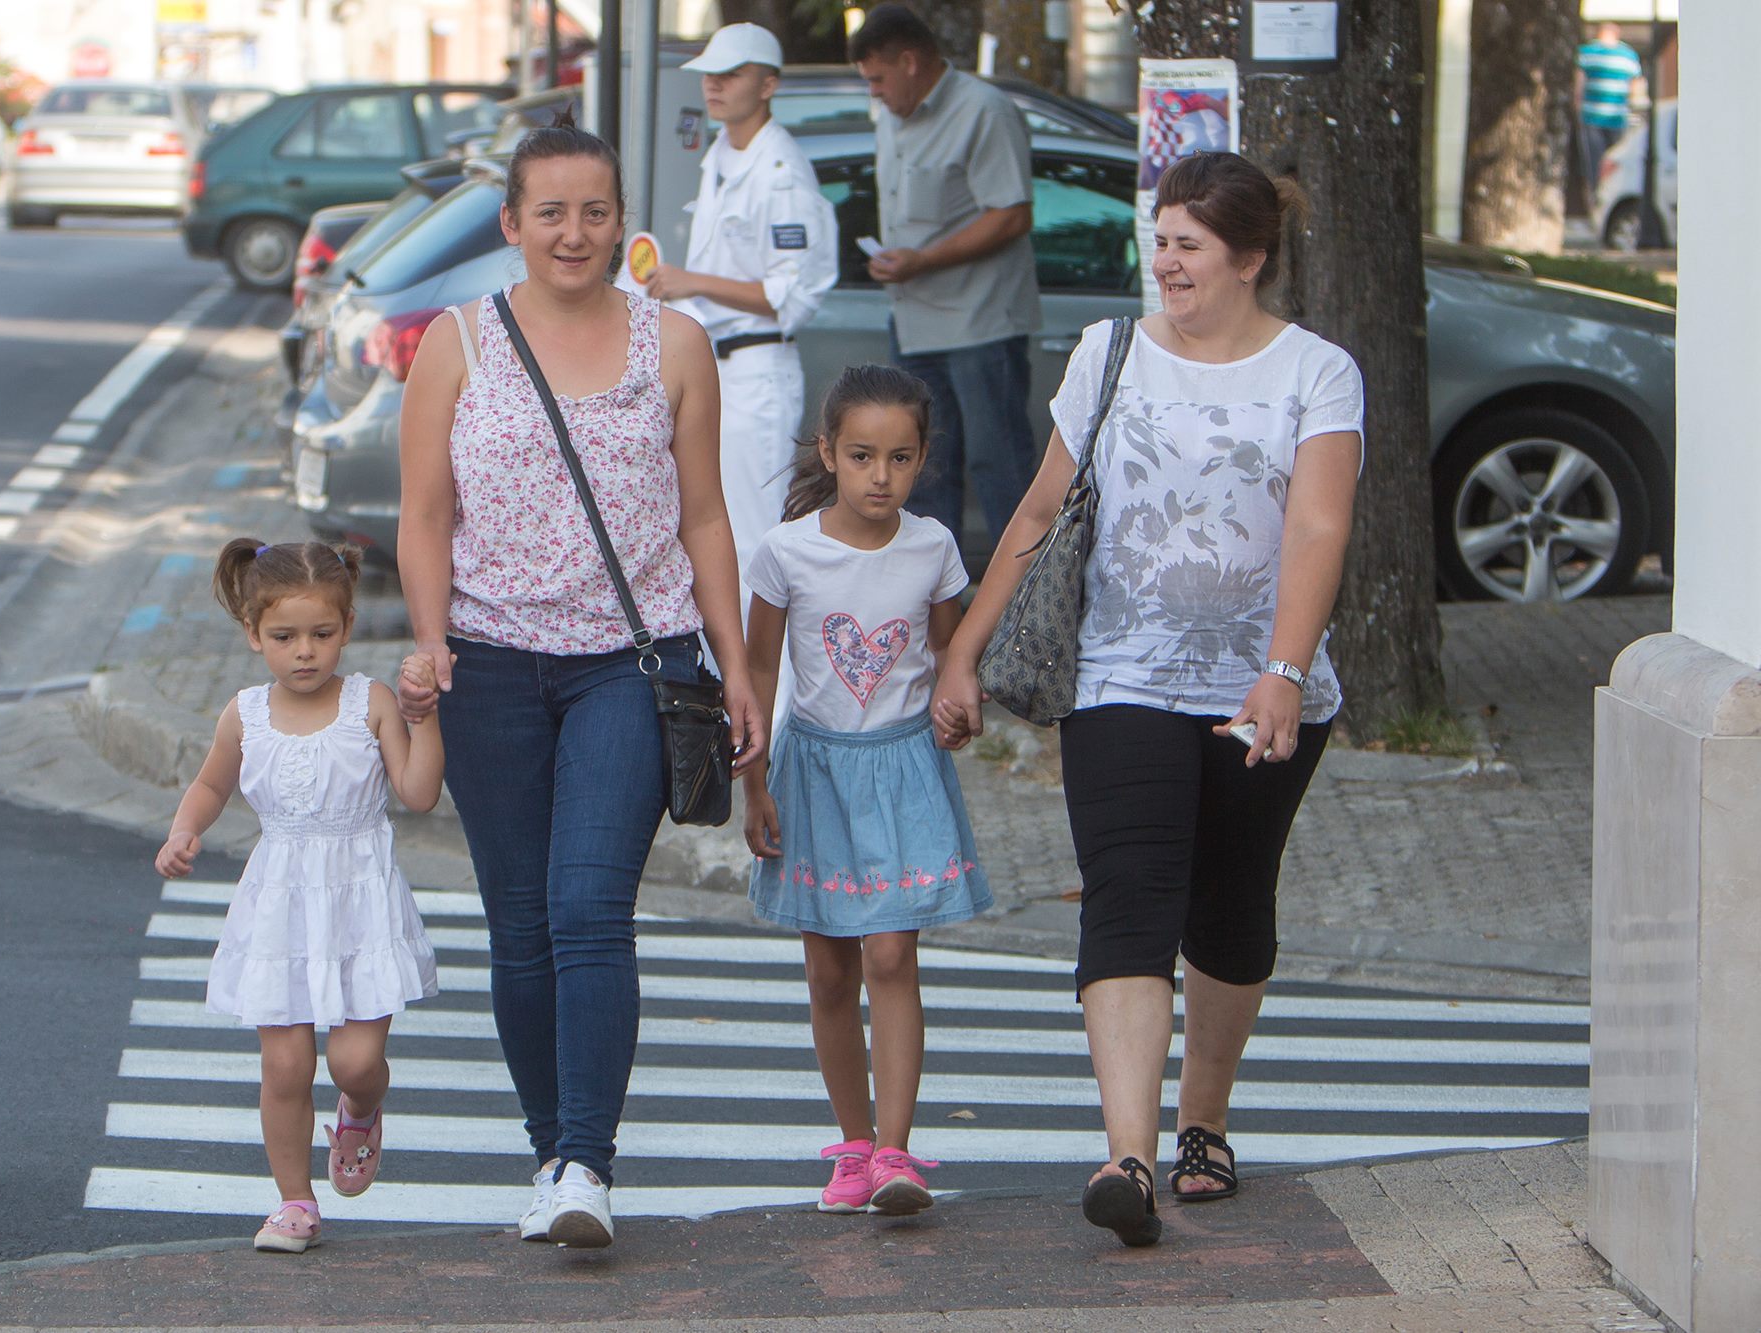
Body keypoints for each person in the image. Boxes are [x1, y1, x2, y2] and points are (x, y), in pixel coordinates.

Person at [931, 152, 1363, 1248]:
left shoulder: (1316, 371)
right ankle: (1125, 1154)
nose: (1163, 261)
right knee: (1126, 894)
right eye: (1158, 238)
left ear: (1248, 259)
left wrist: (1283, 668)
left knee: (1228, 902)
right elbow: (1038, 512)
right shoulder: (1107, 350)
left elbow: (1318, 525)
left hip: (1263, 684)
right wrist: (963, 651)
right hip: (1119, 672)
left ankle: (1200, 1122)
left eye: (1187, 245)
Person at [393, 111, 765, 1250]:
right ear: (511, 224)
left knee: (589, 907)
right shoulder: (456, 341)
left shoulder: (676, 344)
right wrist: (430, 640)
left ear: (620, 224)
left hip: (631, 664)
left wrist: (737, 666)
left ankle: (588, 1166)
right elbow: (422, 515)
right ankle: (548, 1148)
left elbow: (705, 517)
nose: (572, 232)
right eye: (549, 211)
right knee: (518, 923)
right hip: (489, 666)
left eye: (593, 212)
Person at [742, 364, 990, 1216]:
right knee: (827, 972)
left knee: (890, 954)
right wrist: (754, 786)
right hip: (812, 773)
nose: (880, 476)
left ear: (921, 458)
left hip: (903, 771)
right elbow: (759, 672)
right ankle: (853, 1145)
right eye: (861, 456)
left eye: (900, 458)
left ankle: (895, 1150)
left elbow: (950, 659)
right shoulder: (786, 552)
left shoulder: (934, 548)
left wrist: (957, 707)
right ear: (829, 452)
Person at [154, 538, 446, 1255]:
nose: (305, 651)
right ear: (254, 634)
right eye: (284, 636)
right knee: (285, 1065)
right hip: (280, 904)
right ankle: (294, 1202)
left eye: (322, 633)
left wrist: (424, 716)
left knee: (353, 1062)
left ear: (347, 628)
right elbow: (212, 782)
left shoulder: (369, 702)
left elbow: (418, 793)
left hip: (359, 904)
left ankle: (361, 1108)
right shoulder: (245, 713)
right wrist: (185, 830)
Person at [645, 21, 838, 616]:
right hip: (713, 366)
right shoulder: (722, 155)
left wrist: (693, 282)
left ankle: (767, 675)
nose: (714, 86)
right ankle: (723, 669)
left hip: (756, 368)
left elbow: (792, 294)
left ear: (768, 85)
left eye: (731, 75)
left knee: (753, 536)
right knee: (705, 527)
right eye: (710, 75)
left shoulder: (781, 171)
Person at [850, 2, 1041, 547]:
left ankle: (1022, 595)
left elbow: (1012, 215)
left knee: (998, 466)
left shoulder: (984, 111)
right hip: (913, 323)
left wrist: (923, 260)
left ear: (910, 62)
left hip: (981, 323)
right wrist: (895, 261)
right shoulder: (893, 116)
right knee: (921, 470)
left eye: (878, 79)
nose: (874, 93)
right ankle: (936, 592)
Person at [1576, 23, 1643, 205]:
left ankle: (1597, 200)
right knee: (1614, 162)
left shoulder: (1587, 53)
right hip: (1615, 117)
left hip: (1593, 116)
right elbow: (1635, 87)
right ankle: (1608, 199)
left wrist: (1577, 109)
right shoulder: (1628, 55)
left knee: (1595, 164)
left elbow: (1578, 85)